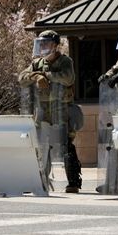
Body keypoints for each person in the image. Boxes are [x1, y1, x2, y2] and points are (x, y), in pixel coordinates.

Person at [18, 30, 82, 193]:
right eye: (41, 44)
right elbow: (21, 77)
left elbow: (68, 78)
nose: (43, 47)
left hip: (61, 109)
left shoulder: (65, 61)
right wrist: (35, 76)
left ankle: (73, 182)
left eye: (46, 43)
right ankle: (41, 180)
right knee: (41, 145)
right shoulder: (37, 63)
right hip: (42, 110)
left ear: (55, 45)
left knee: (65, 144)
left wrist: (45, 75)